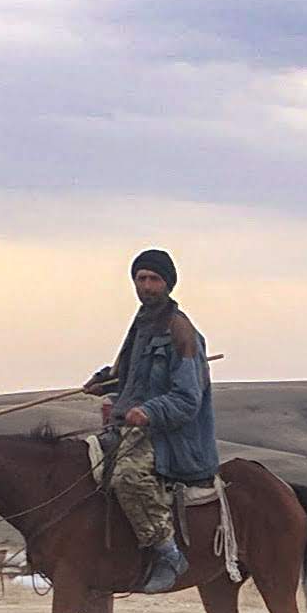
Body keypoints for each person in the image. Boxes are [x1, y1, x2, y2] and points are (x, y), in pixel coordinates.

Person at [84, 250, 218, 593]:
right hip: (131, 426)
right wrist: (104, 382)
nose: (147, 286)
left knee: (129, 475)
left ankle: (167, 552)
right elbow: (131, 378)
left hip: (172, 436)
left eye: (154, 279)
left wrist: (149, 412)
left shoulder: (181, 331)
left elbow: (188, 397)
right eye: (141, 279)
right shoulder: (143, 324)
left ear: (168, 283)